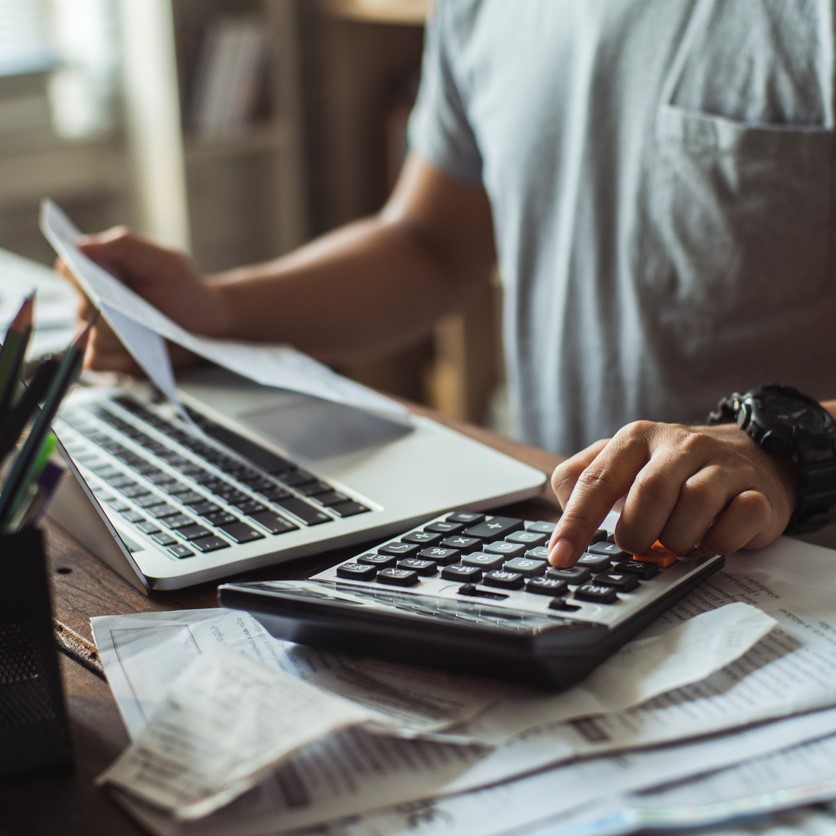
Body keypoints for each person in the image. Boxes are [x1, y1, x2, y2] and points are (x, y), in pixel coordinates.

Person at [62, 0, 836, 567]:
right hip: (570, 548)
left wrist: (783, 449)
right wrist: (215, 311)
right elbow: (429, 245)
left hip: (792, 578)